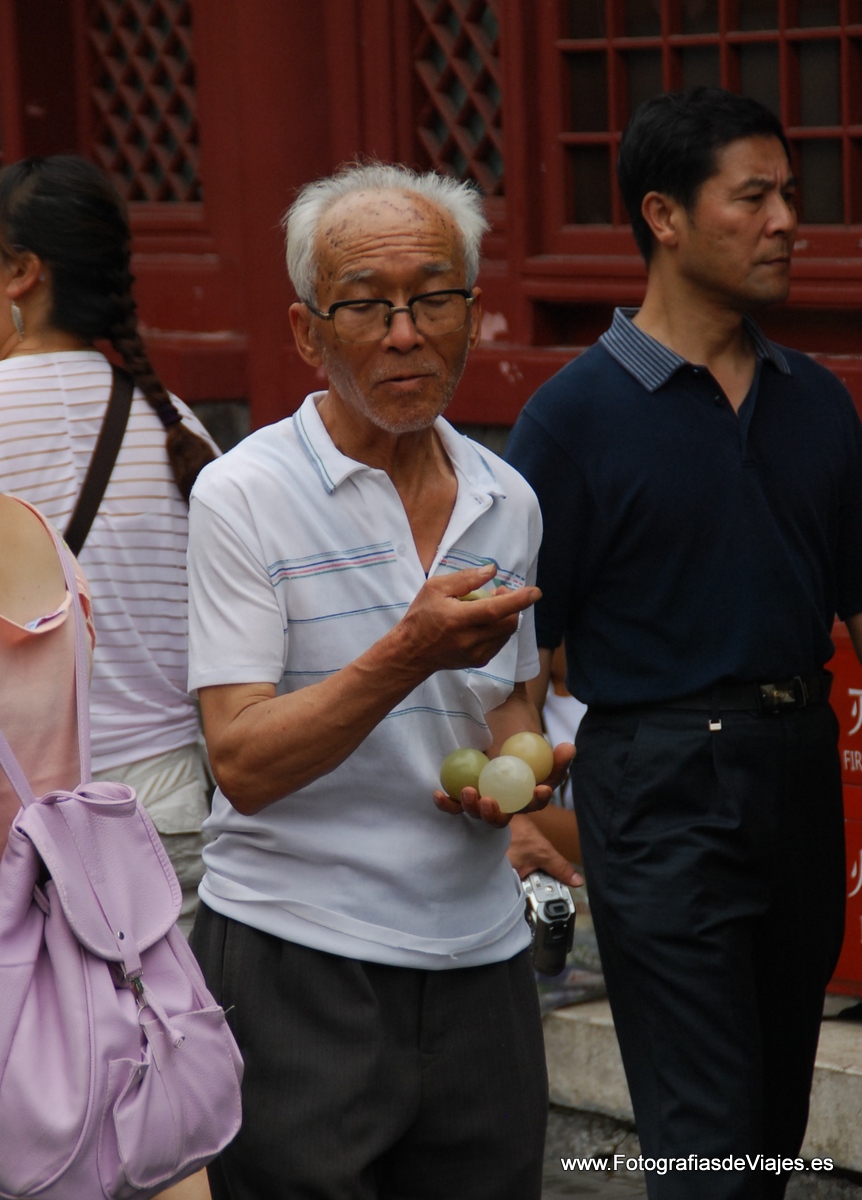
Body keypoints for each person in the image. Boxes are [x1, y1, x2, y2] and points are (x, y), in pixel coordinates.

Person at [186, 161, 573, 1200]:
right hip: (296, 955)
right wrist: (404, 652)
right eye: (365, 305)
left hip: (480, 958)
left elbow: (508, 703)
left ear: (471, 313)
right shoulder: (245, 495)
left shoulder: (507, 500)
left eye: (432, 299)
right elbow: (243, 764)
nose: (406, 334)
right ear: (309, 332)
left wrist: (516, 774)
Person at [506, 87, 862, 1199]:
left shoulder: (817, 401)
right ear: (662, 216)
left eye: (788, 197)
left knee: (766, 1125)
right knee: (704, 1136)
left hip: (799, 771)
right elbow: (518, 649)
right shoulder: (572, 418)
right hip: (660, 782)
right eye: (750, 196)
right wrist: (520, 807)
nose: (784, 221)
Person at [0, 154, 218, 935]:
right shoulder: (179, 431)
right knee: (162, 1046)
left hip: (18, 811)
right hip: (161, 809)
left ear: (23, 272)